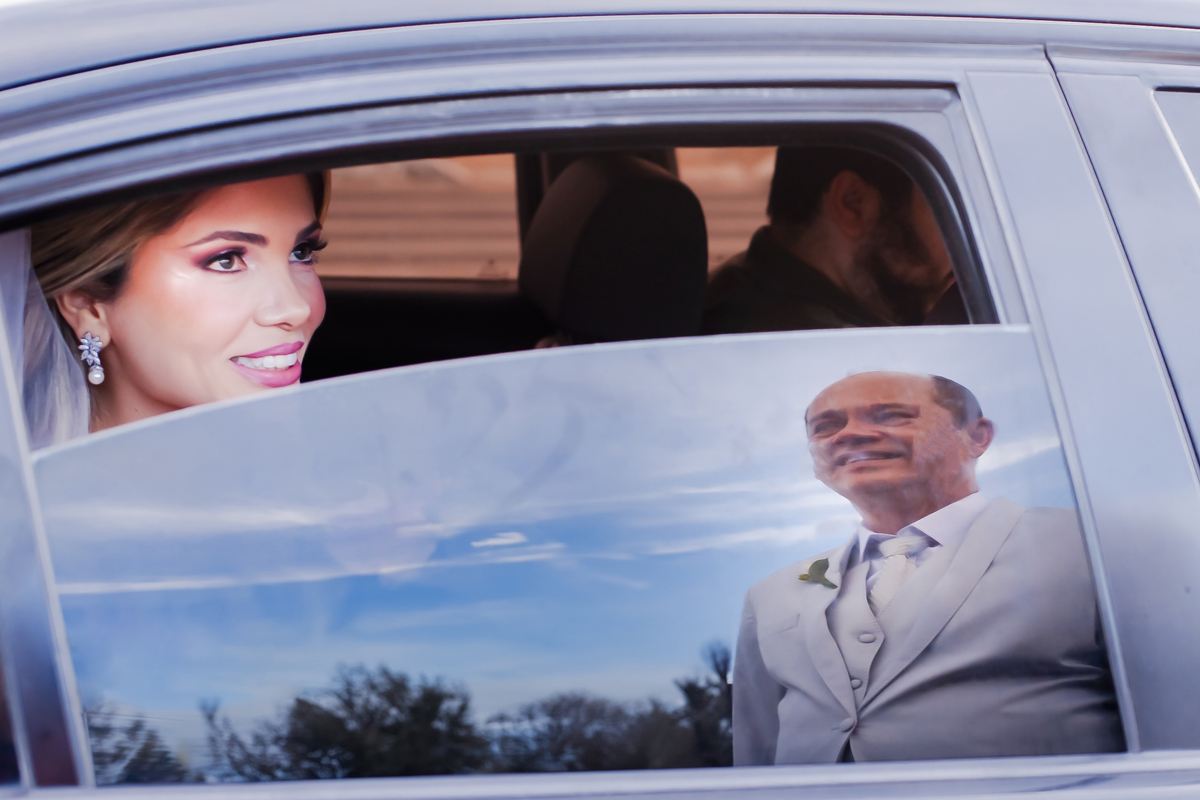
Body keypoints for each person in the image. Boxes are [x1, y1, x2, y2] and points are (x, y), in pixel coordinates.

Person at [732, 371, 1124, 765]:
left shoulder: (1093, 543)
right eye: (826, 427)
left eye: (890, 415)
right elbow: (755, 757)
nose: (849, 434)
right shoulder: (770, 594)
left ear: (976, 436)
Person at [28, 173, 328, 434]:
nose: (296, 308)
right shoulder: (38, 499)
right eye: (226, 261)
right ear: (87, 304)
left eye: (301, 252)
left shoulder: (330, 481)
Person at [702, 147, 963, 334]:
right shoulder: (819, 354)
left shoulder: (742, 291)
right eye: (946, 210)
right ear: (853, 203)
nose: (964, 248)